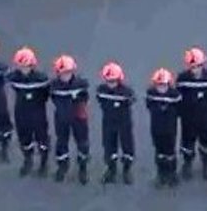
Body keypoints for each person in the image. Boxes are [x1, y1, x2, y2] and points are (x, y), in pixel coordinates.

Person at [176, 47, 207, 181]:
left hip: (206, 115)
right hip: (188, 116)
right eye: (193, 67)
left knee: (206, 141)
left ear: (203, 64)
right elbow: (179, 95)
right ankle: (187, 163)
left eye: (198, 66)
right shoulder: (182, 79)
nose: (196, 69)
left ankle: (206, 164)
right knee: (188, 140)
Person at [8, 46, 50, 176]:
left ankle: (44, 163)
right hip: (21, 112)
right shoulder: (14, 77)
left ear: (32, 65)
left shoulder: (41, 79)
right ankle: (28, 159)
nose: (24, 69)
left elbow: (46, 94)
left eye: (27, 66)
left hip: (37, 112)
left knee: (42, 138)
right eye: (21, 66)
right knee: (24, 137)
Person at [49, 54, 90, 184]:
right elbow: (52, 98)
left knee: (82, 143)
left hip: (79, 119)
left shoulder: (81, 84)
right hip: (61, 119)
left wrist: (80, 107)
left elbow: (85, 97)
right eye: (61, 73)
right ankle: (62, 166)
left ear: (72, 71)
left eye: (67, 72)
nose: (64, 76)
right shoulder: (54, 86)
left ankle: (83, 168)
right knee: (61, 143)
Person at [96, 62, 135, 185]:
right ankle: (111, 169)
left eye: (113, 81)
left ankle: (126, 170)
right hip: (108, 123)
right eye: (108, 81)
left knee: (127, 146)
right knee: (109, 146)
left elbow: (132, 100)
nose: (111, 84)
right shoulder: (101, 90)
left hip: (124, 123)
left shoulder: (127, 92)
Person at [145, 68, 181, 187]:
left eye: (163, 85)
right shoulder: (151, 93)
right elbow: (149, 106)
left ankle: (172, 173)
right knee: (159, 151)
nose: (161, 88)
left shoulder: (174, 95)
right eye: (159, 85)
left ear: (169, 84)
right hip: (156, 128)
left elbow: (179, 109)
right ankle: (161, 173)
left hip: (170, 129)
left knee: (170, 151)